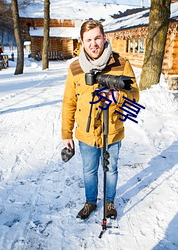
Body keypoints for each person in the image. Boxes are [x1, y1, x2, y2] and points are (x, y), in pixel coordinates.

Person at [61, 20, 139, 220]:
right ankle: (90, 202)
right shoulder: (75, 68)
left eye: (97, 38)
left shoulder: (121, 64)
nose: (93, 43)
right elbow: (69, 102)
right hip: (86, 133)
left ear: (104, 38)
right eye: (89, 40)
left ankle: (110, 202)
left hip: (112, 130)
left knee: (111, 168)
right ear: (82, 42)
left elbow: (135, 94)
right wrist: (66, 134)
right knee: (89, 170)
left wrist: (119, 97)